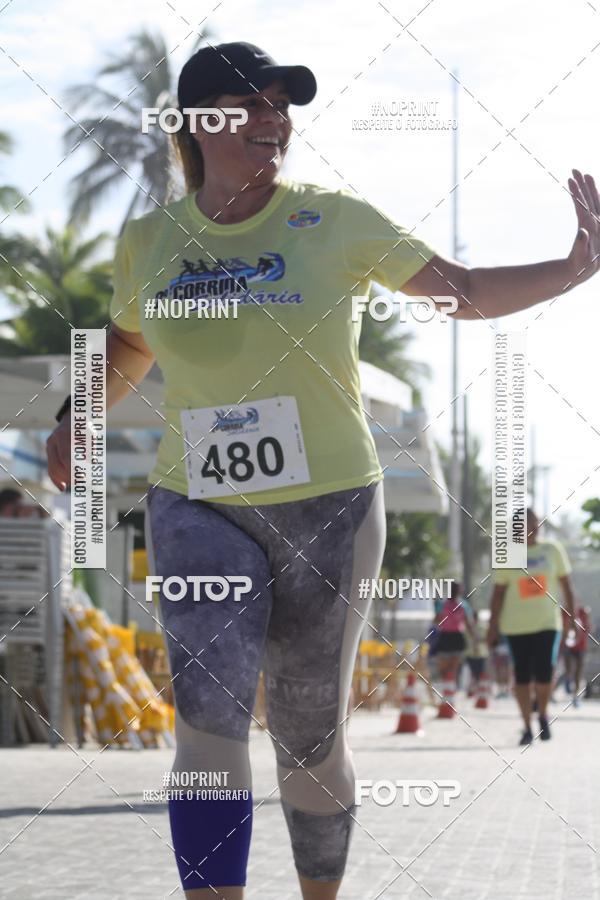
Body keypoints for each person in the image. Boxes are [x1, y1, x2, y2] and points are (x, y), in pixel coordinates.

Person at [45, 40, 600, 900]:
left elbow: (462, 290)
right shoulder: (150, 241)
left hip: (333, 507)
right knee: (208, 721)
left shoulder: (333, 219)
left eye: (282, 104)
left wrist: (572, 270)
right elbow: (125, 341)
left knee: (309, 738)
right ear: (197, 123)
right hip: (199, 503)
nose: (275, 120)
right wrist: (76, 412)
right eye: (252, 103)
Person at [487, 509, 576, 745]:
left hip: (547, 623)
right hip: (516, 625)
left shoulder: (552, 550)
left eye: (532, 523)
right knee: (523, 677)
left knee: (545, 672)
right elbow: (498, 594)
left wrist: (571, 617)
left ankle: (543, 713)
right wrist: (492, 626)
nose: (528, 528)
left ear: (538, 524)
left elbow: (567, 586)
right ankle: (527, 726)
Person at [434, 581, 475, 690]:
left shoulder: (443, 604)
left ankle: (449, 690)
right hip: (453, 637)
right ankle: (449, 689)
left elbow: (436, 620)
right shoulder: (463, 605)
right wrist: (473, 638)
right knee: (451, 668)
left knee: (447, 668)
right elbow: (468, 625)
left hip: (449, 637)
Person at [563, 603, 591, 706]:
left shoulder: (583, 612)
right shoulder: (565, 612)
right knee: (569, 668)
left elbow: (588, 628)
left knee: (578, 672)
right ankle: (567, 680)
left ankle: (576, 696)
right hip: (568, 645)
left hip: (581, 646)